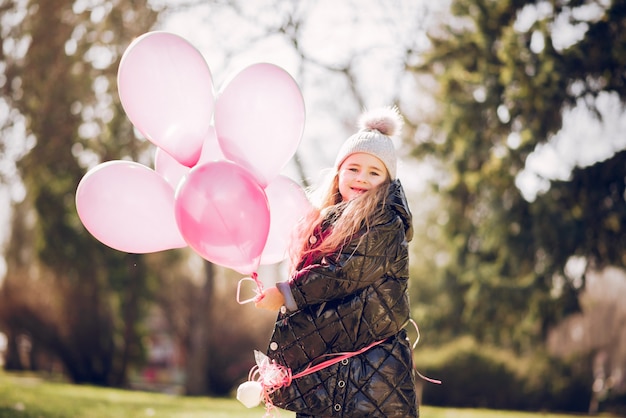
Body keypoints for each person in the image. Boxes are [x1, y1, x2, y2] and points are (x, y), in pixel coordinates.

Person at [255, 106, 419, 417]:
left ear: (386, 181)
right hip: (331, 365)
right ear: (339, 173)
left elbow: (342, 273)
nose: (361, 178)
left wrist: (289, 293)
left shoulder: (385, 224)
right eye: (353, 168)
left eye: (374, 172)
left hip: (372, 370)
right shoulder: (326, 223)